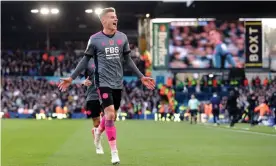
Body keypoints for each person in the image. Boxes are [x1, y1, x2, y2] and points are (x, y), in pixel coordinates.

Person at [58, 7, 155, 165]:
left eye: (116, 16)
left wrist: (141, 76)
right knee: (109, 115)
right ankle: (114, 153)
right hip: (102, 82)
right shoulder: (94, 39)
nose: (115, 19)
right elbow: (84, 60)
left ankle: (98, 133)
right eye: (111, 17)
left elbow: (128, 60)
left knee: (111, 116)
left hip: (117, 82)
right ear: (103, 21)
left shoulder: (122, 38)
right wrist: (71, 77)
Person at [80, 59, 104, 154]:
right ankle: (98, 144)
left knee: (111, 118)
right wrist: (83, 82)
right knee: (97, 122)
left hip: (106, 94)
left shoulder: (107, 58)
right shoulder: (87, 61)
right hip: (93, 95)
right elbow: (77, 76)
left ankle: (96, 132)